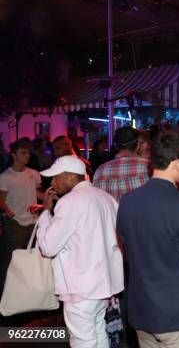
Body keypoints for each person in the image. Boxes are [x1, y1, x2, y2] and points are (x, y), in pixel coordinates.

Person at [117, 130, 179, 348]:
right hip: (177, 311)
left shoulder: (127, 202)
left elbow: (128, 254)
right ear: (176, 163)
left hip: (142, 310)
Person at [36, 156, 124, 347]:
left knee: (83, 340)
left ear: (69, 177)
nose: (52, 182)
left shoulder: (70, 202)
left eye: (55, 177)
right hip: (104, 285)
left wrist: (45, 213)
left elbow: (48, 246)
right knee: (99, 332)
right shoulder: (106, 197)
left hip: (81, 287)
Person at [0, 138, 43, 290]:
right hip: (15, 224)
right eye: (23, 153)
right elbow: (1, 200)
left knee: (30, 259)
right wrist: (8, 211)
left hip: (33, 222)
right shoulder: (5, 176)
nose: (27, 155)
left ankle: (25, 291)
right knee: (11, 260)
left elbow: (36, 192)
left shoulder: (34, 173)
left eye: (28, 153)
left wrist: (49, 197)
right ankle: (7, 292)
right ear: (13, 155)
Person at [93, 127, 150, 202]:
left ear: (116, 146)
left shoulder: (100, 171)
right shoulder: (148, 168)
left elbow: (97, 201)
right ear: (137, 145)